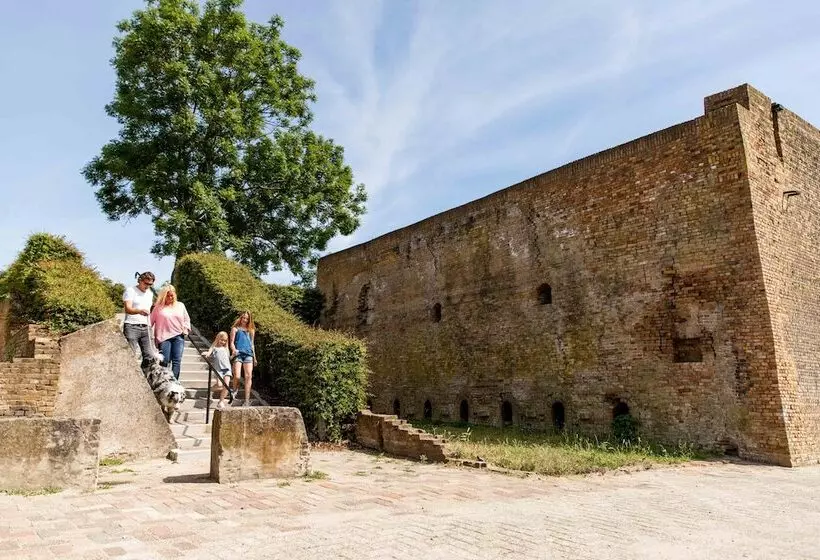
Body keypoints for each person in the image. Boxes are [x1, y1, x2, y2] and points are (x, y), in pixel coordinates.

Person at [150, 284, 191, 380]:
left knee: (177, 361)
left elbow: (186, 319)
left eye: (172, 295)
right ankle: (163, 381)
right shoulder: (158, 307)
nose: (170, 297)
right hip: (164, 338)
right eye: (168, 295)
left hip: (178, 336)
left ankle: (175, 382)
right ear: (164, 296)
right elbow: (150, 322)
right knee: (165, 360)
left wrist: (185, 329)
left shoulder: (181, 305)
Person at [122, 271, 156, 367]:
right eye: (146, 283)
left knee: (149, 356)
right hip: (131, 326)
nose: (147, 286)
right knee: (129, 355)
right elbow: (127, 309)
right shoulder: (130, 290)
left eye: (150, 284)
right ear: (140, 280)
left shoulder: (150, 294)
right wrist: (139, 311)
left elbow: (149, 309)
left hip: (146, 327)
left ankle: (145, 378)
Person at [229, 311, 257, 406]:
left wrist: (255, 358)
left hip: (248, 354)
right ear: (240, 317)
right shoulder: (235, 329)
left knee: (248, 376)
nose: (245, 320)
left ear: (249, 320)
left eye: (247, 318)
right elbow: (231, 342)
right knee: (237, 376)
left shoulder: (251, 330)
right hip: (238, 354)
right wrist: (234, 349)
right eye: (243, 318)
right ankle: (235, 389)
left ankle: (247, 400)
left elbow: (252, 344)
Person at [202, 331, 232, 409]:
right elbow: (209, 351)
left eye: (225, 340)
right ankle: (210, 390)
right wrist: (207, 353)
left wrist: (234, 354)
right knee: (219, 385)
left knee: (226, 385)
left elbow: (229, 358)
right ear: (218, 338)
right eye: (221, 340)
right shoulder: (214, 347)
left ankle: (221, 401)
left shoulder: (226, 348)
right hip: (218, 369)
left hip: (227, 369)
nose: (223, 342)